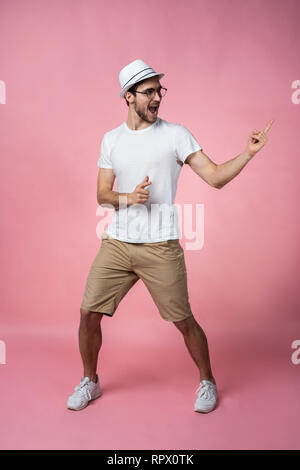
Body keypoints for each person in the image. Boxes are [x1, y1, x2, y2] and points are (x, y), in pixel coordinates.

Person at [67, 59, 274, 413]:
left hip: (160, 247)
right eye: (148, 92)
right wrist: (128, 197)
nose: (157, 98)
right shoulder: (111, 140)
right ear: (128, 97)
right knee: (88, 313)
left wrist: (248, 154)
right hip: (117, 244)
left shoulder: (176, 134)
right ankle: (91, 381)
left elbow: (216, 177)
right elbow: (103, 193)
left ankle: (207, 381)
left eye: (159, 90)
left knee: (183, 320)